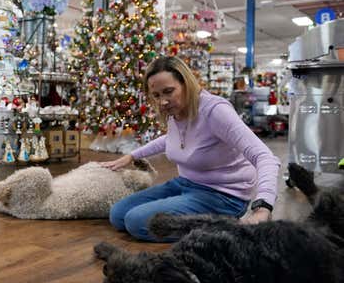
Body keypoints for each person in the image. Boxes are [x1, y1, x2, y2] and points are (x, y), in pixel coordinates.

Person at [101, 56, 280, 242]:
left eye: (168, 91)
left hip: (223, 196)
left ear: (186, 84)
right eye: (156, 95)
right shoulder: (176, 111)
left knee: (136, 221)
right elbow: (171, 140)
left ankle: (223, 226)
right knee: (118, 214)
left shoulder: (215, 111)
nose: (162, 102)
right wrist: (131, 156)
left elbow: (264, 156)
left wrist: (262, 207)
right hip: (186, 183)